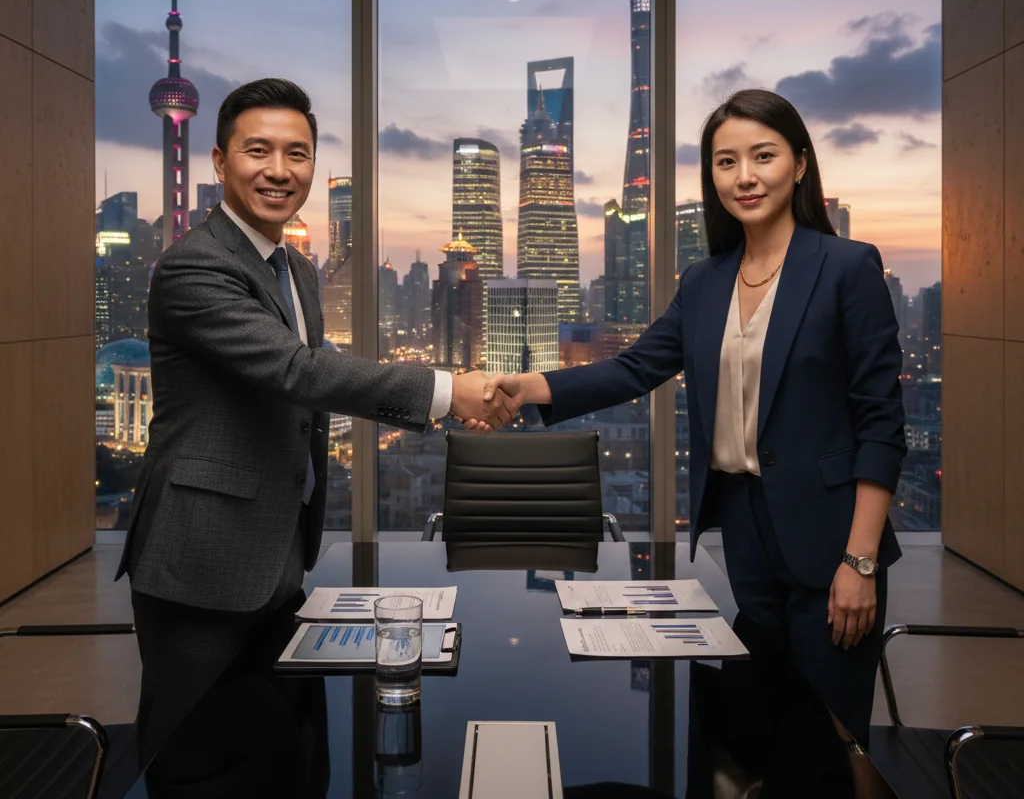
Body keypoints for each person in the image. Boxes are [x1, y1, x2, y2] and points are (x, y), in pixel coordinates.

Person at [481, 88, 905, 744]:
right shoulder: (706, 281)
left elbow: (881, 423)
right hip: (745, 525)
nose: (745, 177)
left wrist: (862, 561)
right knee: (761, 720)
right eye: (725, 162)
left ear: (798, 162)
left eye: (762, 156)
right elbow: (634, 367)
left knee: (827, 738)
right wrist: (528, 385)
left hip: (833, 535)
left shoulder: (847, 267)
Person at [116, 78, 516, 765]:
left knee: (289, 752)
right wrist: (449, 390)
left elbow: (305, 386)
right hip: (203, 559)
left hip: (278, 551)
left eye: (296, 153)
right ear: (218, 162)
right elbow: (300, 373)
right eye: (258, 151)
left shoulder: (295, 270)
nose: (280, 170)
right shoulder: (194, 267)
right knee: (203, 758)